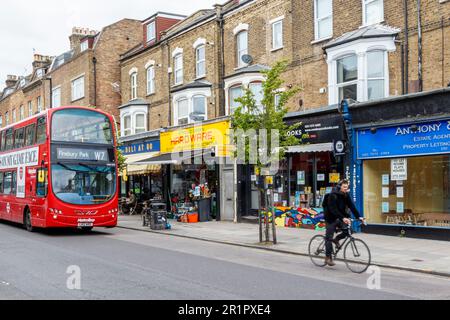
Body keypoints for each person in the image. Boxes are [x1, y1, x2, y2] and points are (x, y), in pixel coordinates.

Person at [323, 180, 364, 267]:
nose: (346, 189)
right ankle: (328, 257)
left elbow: (352, 206)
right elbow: (333, 209)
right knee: (328, 238)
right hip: (330, 218)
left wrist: (359, 217)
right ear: (339, 187)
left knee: (349, 231)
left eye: (347, 187)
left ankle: (337, 239)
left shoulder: (345, 195)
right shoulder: (332, 195)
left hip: (340, 217)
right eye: (344, 187)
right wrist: (343, 218)